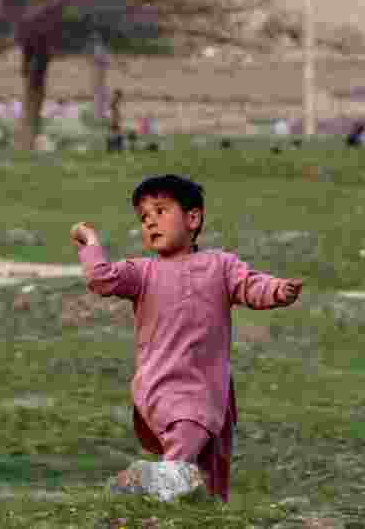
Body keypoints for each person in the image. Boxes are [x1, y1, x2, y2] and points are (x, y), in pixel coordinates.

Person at [70, 175, 303, 503]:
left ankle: (197, 511)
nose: (149, 221)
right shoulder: (142, 271)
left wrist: (278, 291)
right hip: (162, 381)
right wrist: (90, 243)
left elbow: (251, 286)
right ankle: (155, 498)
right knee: (186, 435)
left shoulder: (220, 265)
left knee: (209, 471)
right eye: (143, 217)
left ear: (192, 218)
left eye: (160, 211)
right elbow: (100, 279)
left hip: (208, 384)